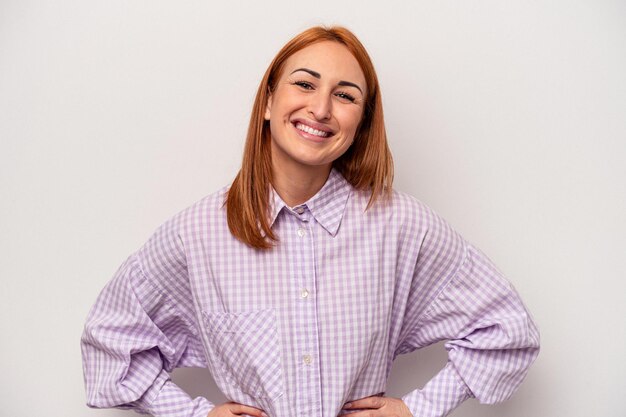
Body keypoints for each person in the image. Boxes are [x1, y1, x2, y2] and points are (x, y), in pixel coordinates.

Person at [81, 26, 540, 417]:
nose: (321, 109)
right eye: (304, 84)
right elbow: (110, 339)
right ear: (266, 102)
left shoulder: (402, 225)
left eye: (344, 95)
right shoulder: (197, 233)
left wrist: (419, 408)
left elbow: (507, 329)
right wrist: (191, 413)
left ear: (360, 123)